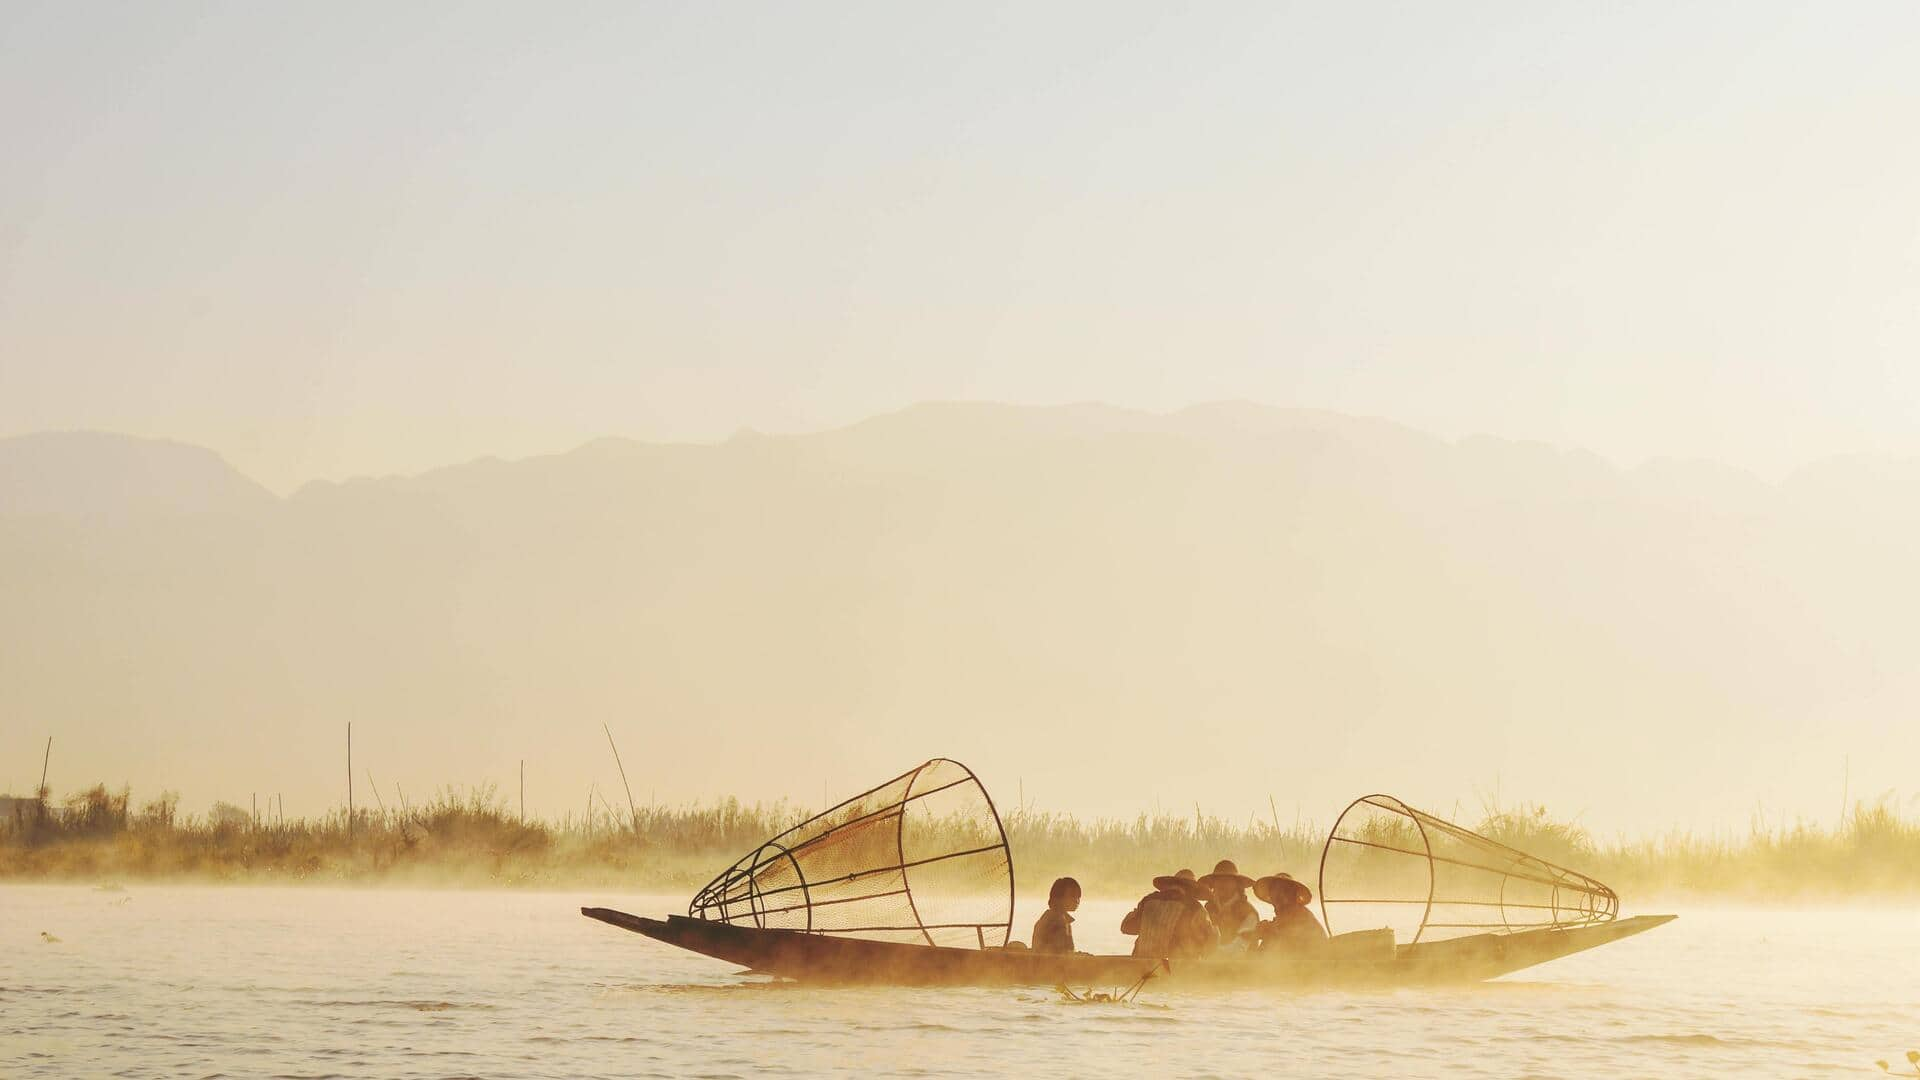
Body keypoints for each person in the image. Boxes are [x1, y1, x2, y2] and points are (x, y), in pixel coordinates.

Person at [1119, 868, 1217, 959]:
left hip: (1140, 964)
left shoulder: (1148, 900)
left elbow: (1126, 927)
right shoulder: (1194, 907)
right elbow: (1209, 941)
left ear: (1170, 884)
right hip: (1173, 968)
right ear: (1191, 889)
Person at [1253, 872, 1326, 949]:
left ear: (1292, 894)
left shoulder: (1300, 915)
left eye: (1283, 891)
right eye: (1274, 891)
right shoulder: (1282, 917)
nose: (1277, 896)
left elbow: (1291, 938)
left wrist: (1270, 930)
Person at [1197, 859, 1260, 948]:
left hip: (1241, 961)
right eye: (1218, 880)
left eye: (1227, 880)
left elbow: (1240, 948)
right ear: (1213, 884)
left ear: (1236, 884)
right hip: (1209, 960)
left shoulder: (1248, 912)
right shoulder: (1208, 909)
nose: (1222, 884)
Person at [1031, 877, 1081, 954]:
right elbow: (1061, 954)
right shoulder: (1057, 920)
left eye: (1078, 897)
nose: (1077, 900)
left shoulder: (1056, 917)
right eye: (1072, 896)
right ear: (1058, 898)